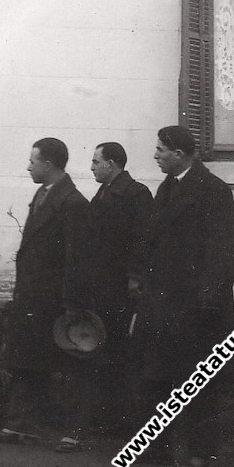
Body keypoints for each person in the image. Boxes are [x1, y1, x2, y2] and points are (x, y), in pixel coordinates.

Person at [135, 126, 234, 467]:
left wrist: (207, 301)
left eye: (160, 150)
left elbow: (225, 251)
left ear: (179, 154)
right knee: (160, 378)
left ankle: (198, 454)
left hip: (198, 309)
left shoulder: (213, 190)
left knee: (200, 385)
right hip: (164, 305)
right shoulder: (166, 189)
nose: (155, 155)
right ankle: (159, 448)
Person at [0, 137, 94, 453]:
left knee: (72, 368)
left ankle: (74, 432)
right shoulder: (43, 194)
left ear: (49, 164)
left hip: (58, 301)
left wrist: (72, 304)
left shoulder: (73, 203)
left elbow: (78, 258)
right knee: (28, 362)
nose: (28, 166)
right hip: (33, 297)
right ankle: (19, 425)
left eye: (33, 161)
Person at [86, 141, 153, 432]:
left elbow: (143, 241)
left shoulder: (136, 194)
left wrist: (135, 279)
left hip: (123, 291)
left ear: (111, 164)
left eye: (95, 161)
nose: (91, 167)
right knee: (105, 351)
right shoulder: (101, 194)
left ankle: (124, 422)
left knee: (121, 353)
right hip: (102, 287)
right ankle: (107, 419)